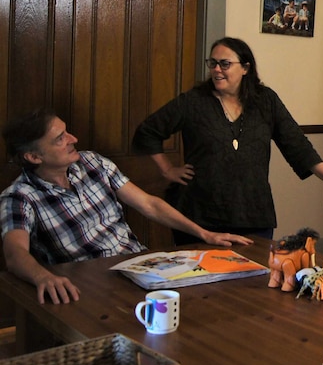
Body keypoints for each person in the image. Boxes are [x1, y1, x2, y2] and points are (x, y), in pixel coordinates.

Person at [0, 108, 252, 305]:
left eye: (67, 132)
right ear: (34, 157)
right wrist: (44, 276)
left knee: (217, 290)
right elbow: (15, 254)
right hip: (89, 284)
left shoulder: (92, 163)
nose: (73, 139)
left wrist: (205, 234)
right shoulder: (19, 197)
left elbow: (149, 204)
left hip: (139, 266)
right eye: (60, 138)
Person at [132, 37, 323, 245]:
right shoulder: (193, 102)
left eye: (225, 64)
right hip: (199, 216)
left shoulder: (265, 101)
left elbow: (297, 145)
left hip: (253, 214)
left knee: (252, 283)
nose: (217, 70)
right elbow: (148, 131)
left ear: (245, 68)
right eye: (213, 63)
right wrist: (167, 170)